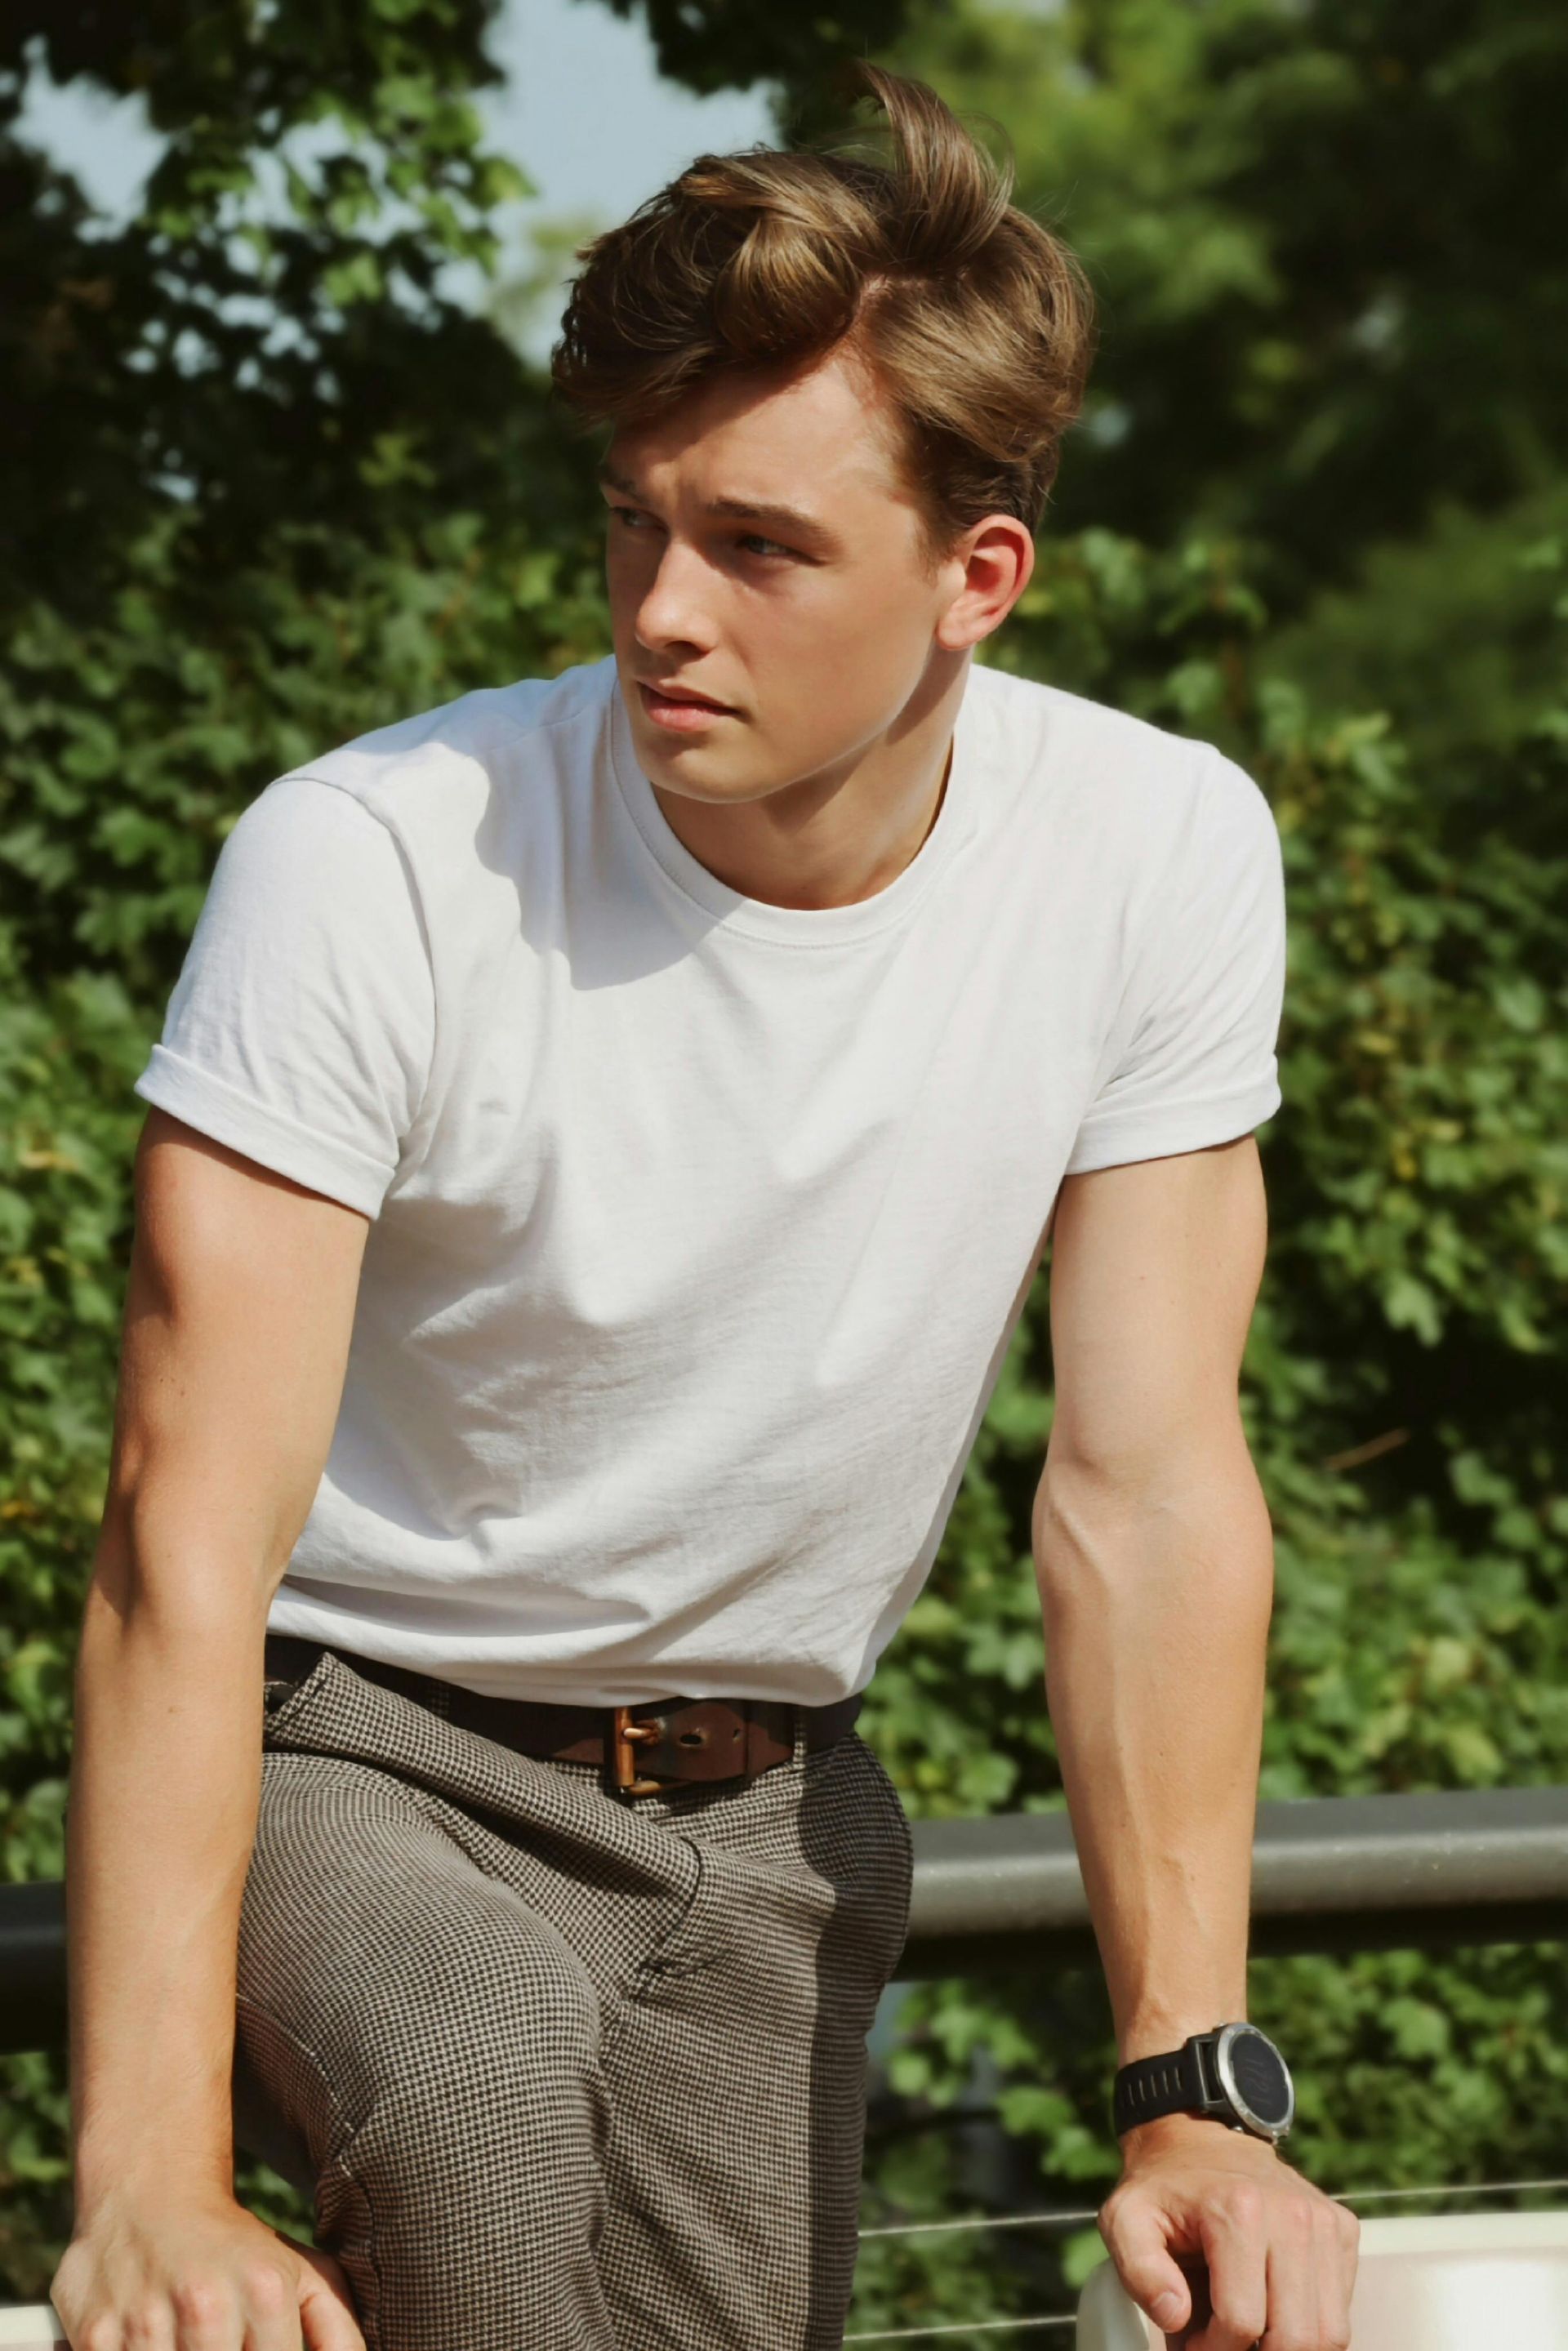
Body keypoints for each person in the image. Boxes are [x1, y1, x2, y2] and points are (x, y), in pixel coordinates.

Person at [50, 62, 1359, 2351]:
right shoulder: (369, 861)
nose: (664, 607)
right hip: (373, 1745)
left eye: (758, 545)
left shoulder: (1157, 853)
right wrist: (151, 2182)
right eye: (634, 523)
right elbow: (180, 1525)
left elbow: (1147, 1491)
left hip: (776, 1808)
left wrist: (1195, 2096)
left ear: (980, 580)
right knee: (470, 2083)